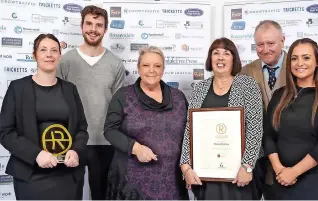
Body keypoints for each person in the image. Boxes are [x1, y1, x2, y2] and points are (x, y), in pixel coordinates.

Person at [0, 34, 88, 200]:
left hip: (67, 175)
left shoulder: (70, 89)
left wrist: (76, 151)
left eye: (54, 50)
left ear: (59, 56)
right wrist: (36, 154)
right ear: (34, 55)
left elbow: (81, 129)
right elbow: (5, 132)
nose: (49, 54)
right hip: (30, 174)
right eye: (43, 50)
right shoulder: (17, 88)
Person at [180, 37, 263, 200]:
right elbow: (190, 129)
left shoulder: (248, 85)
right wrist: (185, 167)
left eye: (226, 53)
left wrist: (247, 166)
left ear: (234, 59)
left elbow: (255, 127)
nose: (220, 57)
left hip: (239, 174)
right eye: (215, 53)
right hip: (207, 173)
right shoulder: (199, 88)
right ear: (210, 59)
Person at [57, 5, 125, 200]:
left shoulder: (115, 64)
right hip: (70, 141)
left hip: (105, 142)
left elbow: (118, 108)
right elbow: (57, 102)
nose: (93, 29)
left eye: (99, 25)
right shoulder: (65, 61)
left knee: (102, 196)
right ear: (81, 26)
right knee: (69, 195)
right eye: (89, 23)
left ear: (105, 29)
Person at [104, 46, 188, 200]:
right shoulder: (123, 95)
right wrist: (135, 148)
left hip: (171, 181)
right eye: (146, 65)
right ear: (138, 68)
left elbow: (189, 135)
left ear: (163, 69)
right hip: (131, 183)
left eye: (157, 66)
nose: (152, 70)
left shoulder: (179, 98)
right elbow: (110, 130)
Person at [265, 38, 318, 200]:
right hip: (278, 180)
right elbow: (268, 135)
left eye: (306, 57)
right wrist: (279, 169)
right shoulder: (280, 95)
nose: (299, 63)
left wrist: (294, 172)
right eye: (294, 58)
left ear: (317, 62)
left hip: (312, 182)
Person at [241, 20, 287, 200]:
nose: (265, 49)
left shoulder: (298, 68)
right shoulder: (245, 72)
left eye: (271, 43)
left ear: (282, 40)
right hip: (256, 160)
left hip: (290, 157)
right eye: (260, 44)